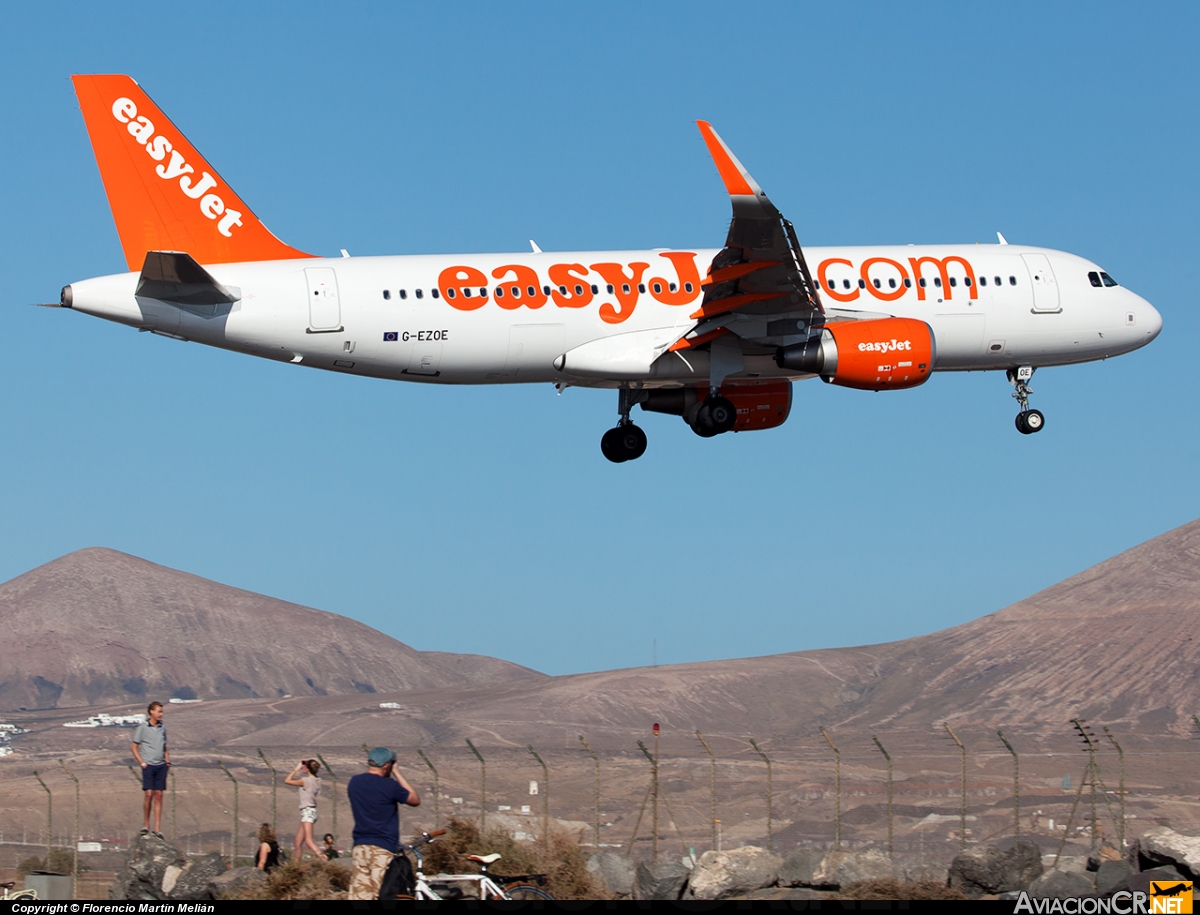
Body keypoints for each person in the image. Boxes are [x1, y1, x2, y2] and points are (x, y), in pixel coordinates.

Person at [346, 747, 420, 900]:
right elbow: (414, 799)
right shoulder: (389, 786)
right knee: (384, 894)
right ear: (386, 765)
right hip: (382, 848)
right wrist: (397, 773)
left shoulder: (354, 782)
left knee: (361, 896)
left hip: (360, 847)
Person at [130, 700, 169, 838]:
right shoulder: (143, 728)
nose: (161, 714)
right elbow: (134, 747)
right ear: (151, 712)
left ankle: (157, 829)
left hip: (161, 766)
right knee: (148, 794)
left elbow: (164, 746)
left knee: (159, 795)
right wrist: (142, 762)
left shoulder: (162, 728)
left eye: (162, 712)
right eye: (159, 711)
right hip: (148, 765)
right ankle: (146, 825)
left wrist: (167, 761)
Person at [285, 758, 326, 860]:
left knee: (308, 841)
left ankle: (324, 859)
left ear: (307, 769)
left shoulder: (306, 781)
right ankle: (295, 866)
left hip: (308, 811)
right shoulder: (318, 781)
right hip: (310, 811)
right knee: (297, 842)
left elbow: (287, 781)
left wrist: (296, 769)